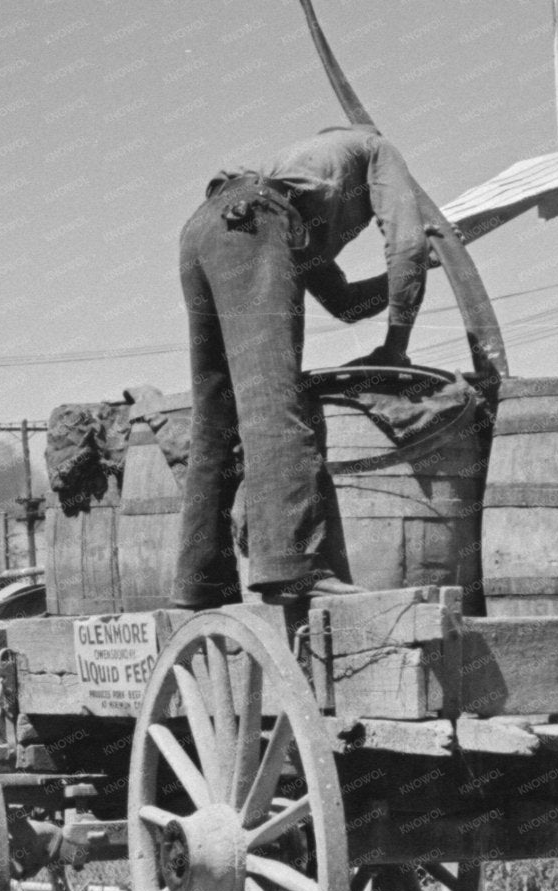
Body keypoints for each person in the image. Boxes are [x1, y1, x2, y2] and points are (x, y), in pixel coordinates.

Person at [175, 124, 436, 610]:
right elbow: (407, 246)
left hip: (203, 230)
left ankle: (203, 579)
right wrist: (396, 347)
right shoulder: (375, 146)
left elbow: (344, 303)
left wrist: (415, 271)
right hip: (251, 225)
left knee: (217, 415)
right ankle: (292, 569)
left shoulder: (296, 200)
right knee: (274, 398)